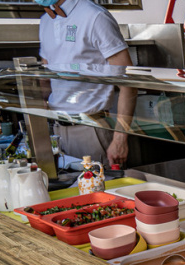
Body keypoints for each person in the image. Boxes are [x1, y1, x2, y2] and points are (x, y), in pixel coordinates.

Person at [35, 0, 136, 167]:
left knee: (101, 189)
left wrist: (120, 139)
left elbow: (129, 82)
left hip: (91, 129)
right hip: (58, 130)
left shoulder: (95, 16)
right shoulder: (46, 20)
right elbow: (47, 76)